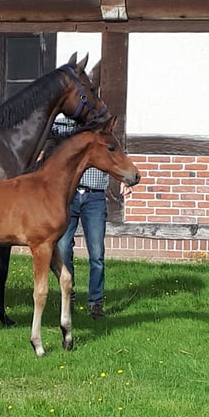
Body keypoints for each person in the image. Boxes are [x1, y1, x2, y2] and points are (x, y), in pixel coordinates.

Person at [52, 115, 132, 319]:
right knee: (63, 248)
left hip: (95, 196)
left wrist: (124, 179)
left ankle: (95, 302)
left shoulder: (101, 129)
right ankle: (68, 296)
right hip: (69, 196)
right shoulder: (64, 126)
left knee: (96, 253)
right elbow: (46, 139)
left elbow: (116, 153)